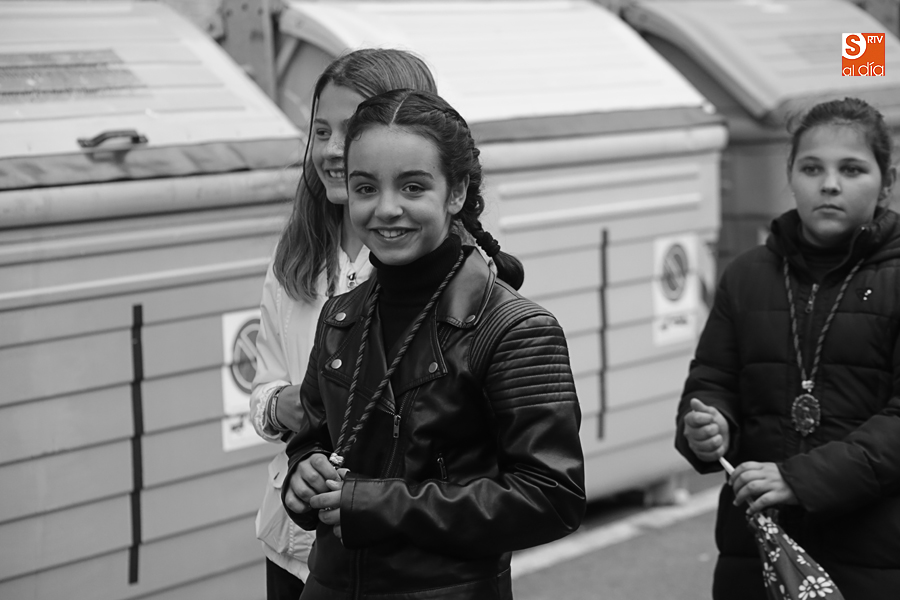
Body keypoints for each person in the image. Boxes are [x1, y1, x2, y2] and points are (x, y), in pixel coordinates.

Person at [280, 89, 586, 599]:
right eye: (365, 188)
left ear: (456, 192)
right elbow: (311, 440)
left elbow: (552, 497)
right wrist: (303, 475)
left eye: (413, 187)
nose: (387, 209)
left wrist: (373, 504)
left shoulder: (515, 329)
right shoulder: (340, 315)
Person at [676, 97, 900, 599]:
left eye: (852, 169)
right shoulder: (747, 274)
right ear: (791, 175)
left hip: (875, 562)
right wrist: (710, 426)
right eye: (812, 168)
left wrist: (799, 480)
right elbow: (712, 381)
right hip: (756, 555)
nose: (829, 184)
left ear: (887, 181)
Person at [249, 49, 437, 600]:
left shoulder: (443, 273)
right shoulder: (297, 254)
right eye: (320, 131)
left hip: (391, 559)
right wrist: (282, 406)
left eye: (351, 130)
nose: (333, 150)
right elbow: (263, 389)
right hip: (292, 545)